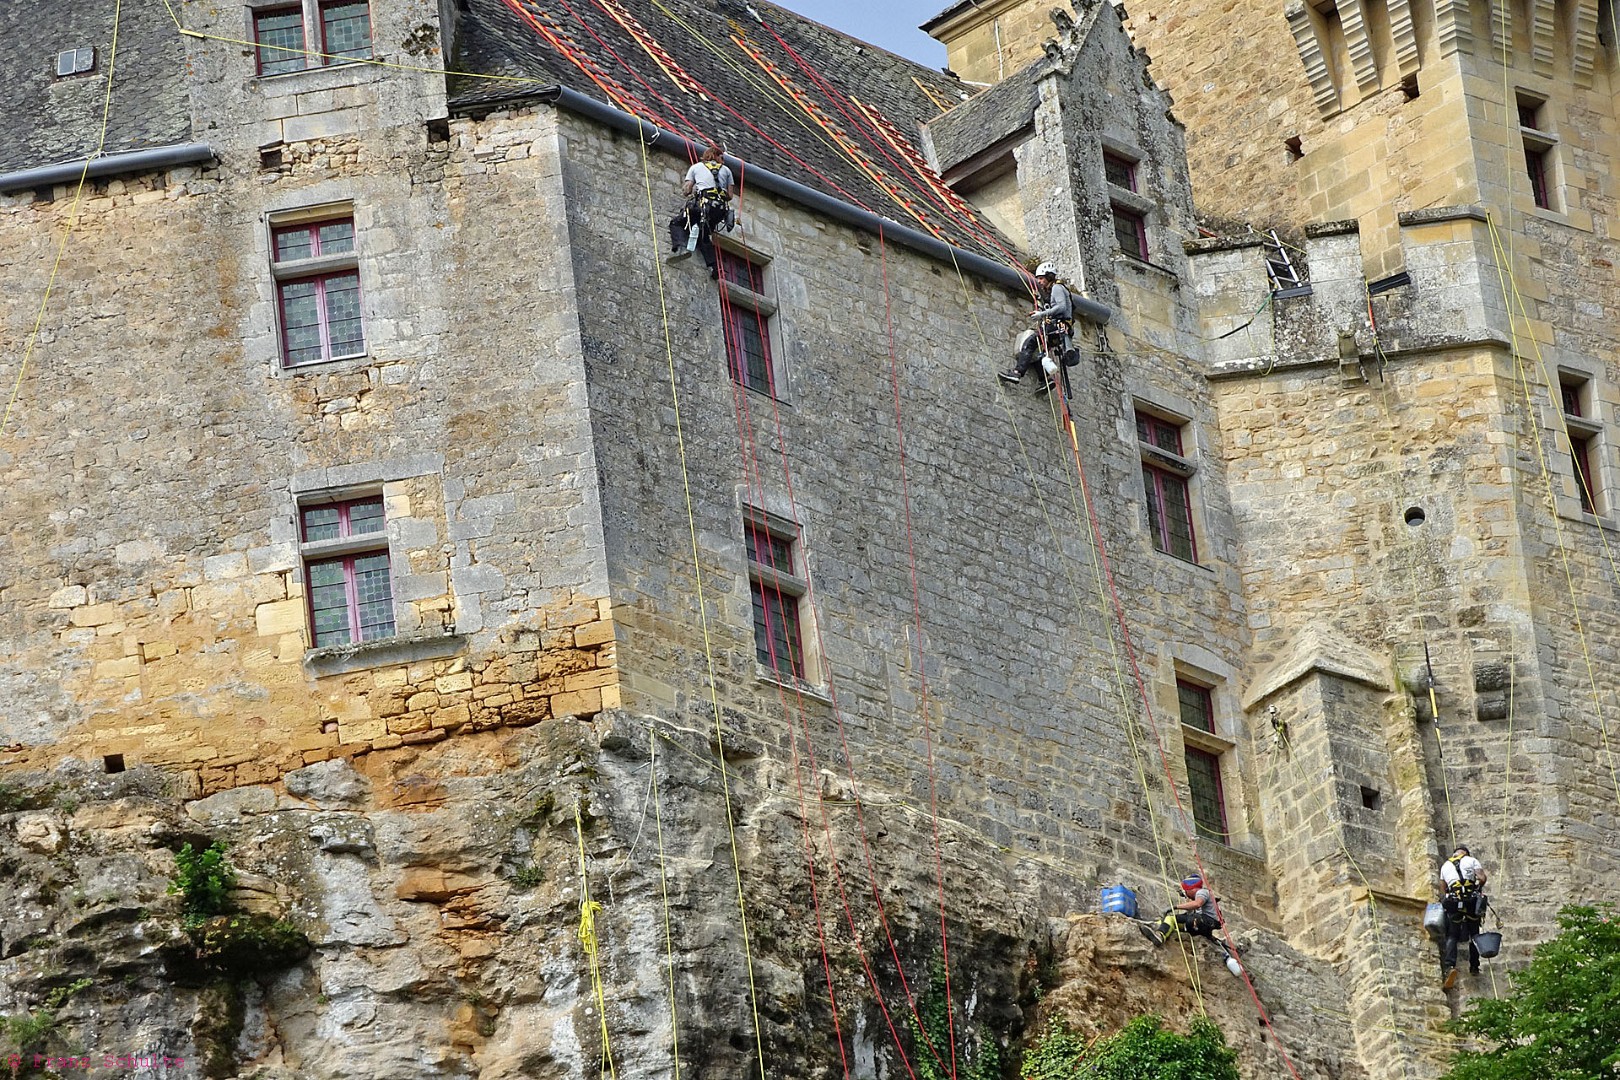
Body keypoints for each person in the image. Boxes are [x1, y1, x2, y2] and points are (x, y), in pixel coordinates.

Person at [998, 264, 1075, 395]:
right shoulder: (1053, 289)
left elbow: (1061, 307)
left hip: (1056, 327)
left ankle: (1017, 373)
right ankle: (1045, 380)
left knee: (1030, 343)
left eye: (1041, 278)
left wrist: (1042, 314)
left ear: (1048, 276)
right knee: (1037, 351)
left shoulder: (1057, 288)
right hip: (1057, 329)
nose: (1039, 281)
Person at [671, 144, 735, 278]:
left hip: (703, 206)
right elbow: (730, 196)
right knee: (704, 235)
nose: (723, 161)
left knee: (676, 223)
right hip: (718, 211)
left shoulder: (696, 167)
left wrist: (693, 189)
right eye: (722, 157)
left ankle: (680, 248)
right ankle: (715, 268)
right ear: (717, 157)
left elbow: (687, 190)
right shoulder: (727, 171)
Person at [1438, 844, 1489, 988]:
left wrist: (1451, 893)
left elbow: (1443, 888)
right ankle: (1474, 966)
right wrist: (1477, 888)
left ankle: (1450, 966)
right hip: (1470, 900)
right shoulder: (1471, 860)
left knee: (1452, 935)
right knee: (1474, 934)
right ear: (1465, 853)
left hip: (1453, 901)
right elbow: (1482, 878)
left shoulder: (1445, 866)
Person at [1139, 875, 1223, 946]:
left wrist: (1174, 907)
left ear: (1191, 889)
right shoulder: (1205, 895)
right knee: (1169, 921)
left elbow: (1197, 904)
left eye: (1186, 891)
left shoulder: (1202, 892)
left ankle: (1160, 936)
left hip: (1204, 922)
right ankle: (1155, 926)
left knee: (1173, 918)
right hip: (1204, 924)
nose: (1186, 893)